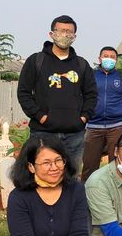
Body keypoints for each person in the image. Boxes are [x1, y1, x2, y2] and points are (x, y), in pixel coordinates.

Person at [17, 15, 97, 171]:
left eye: (69, 32)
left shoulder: (81, 64)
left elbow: (91, 95)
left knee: (71, 177)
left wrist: (83, 117)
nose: (65, 35)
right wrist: (41, 117)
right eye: (61, 31)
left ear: (74, 36)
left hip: (75, 134)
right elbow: (24, 93)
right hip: (43, 133)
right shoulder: (36, 61)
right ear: (51, 34)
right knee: (43, 175)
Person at [81, 46, 122, 181]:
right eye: (106, 56)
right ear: (100, 58)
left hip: (117, 126)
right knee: (89, 164)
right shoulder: (90, 76)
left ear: (116, 60)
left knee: (117, 163)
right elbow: (82, 96)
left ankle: (116, 195)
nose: (108, 59)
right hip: (93, 126)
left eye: (112, 57)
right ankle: (85, 195)